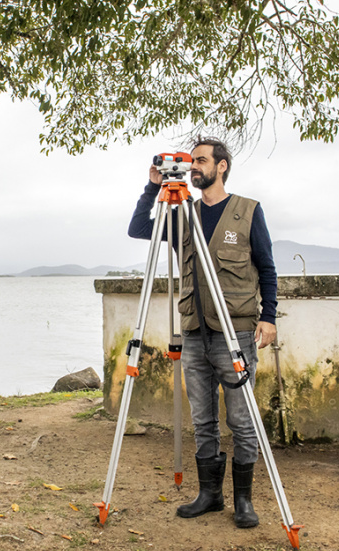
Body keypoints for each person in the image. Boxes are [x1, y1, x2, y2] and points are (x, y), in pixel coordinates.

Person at [128, 137, 278, 528]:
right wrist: (153, 187)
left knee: (242, 421)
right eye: (190, 162)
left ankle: (243, 501)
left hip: (238, 332)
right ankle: (210, 495)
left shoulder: (247, 211)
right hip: (194, 332)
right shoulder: (182, 213)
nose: (193, 167)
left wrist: (270, 316)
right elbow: (138, 228)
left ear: (221, 166)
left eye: (200, 161)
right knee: (203, 420)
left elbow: (267, 268)